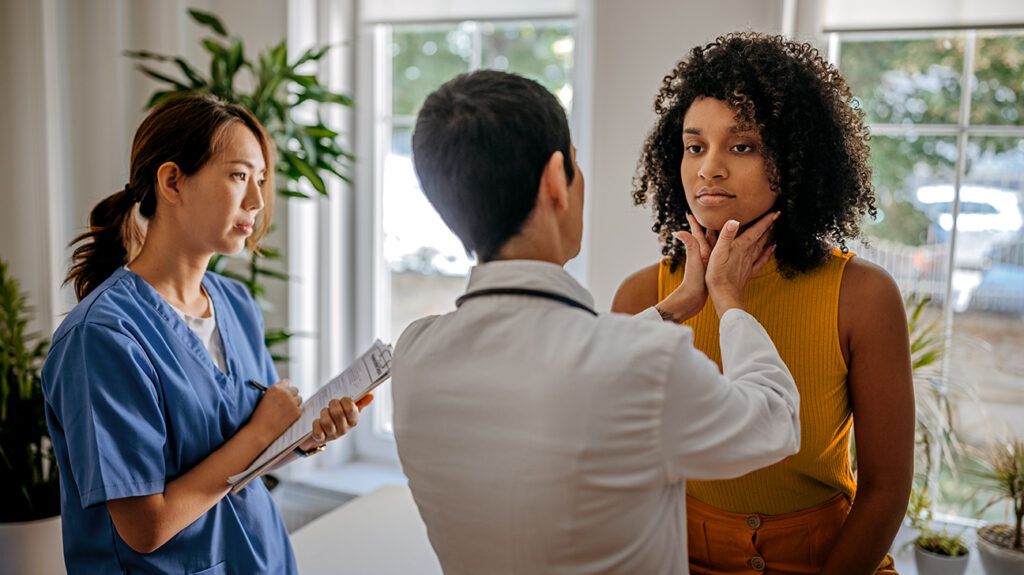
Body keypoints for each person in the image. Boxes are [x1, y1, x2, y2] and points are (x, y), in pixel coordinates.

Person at [392, 69, 800, 575]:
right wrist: (730, 302)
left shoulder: (413, 353)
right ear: (555, 181)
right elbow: (775, 421)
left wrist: (674, 307)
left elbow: (567, 369)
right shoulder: (642, 363)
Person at [613, 32, 915, 575]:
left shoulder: (863, 297)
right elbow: (612, 459)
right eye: (694, 145)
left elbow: (886, 487)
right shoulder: (645, 296)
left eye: (742, 145)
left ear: (797, 157)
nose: (709, 169)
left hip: (832, 559)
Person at [42, 94, 370, 574]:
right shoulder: (103, 338)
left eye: (260, 180)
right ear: (173, 181)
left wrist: (299, 437)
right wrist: (262, 429)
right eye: (239, 176)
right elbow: (146, 527)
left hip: (263, 560)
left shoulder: (235, 304)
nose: (257, 201)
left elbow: (234, 465)